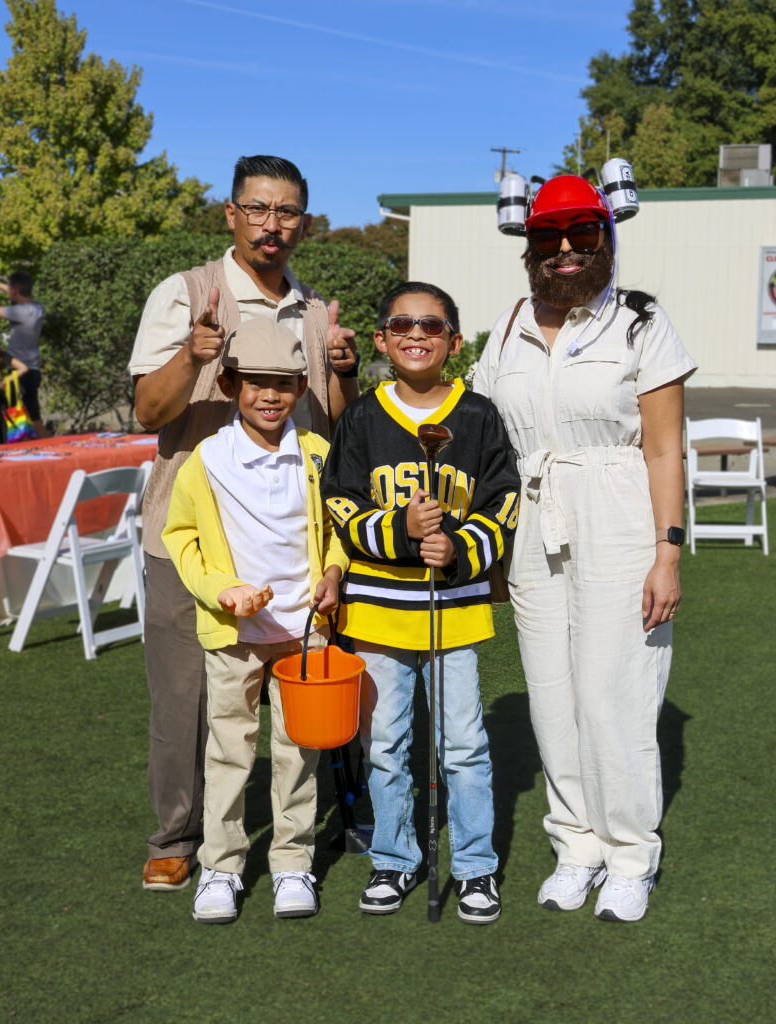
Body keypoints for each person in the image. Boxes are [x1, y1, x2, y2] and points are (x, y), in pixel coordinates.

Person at [129, 155, 358, 892]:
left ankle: (305, 835)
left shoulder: (316, 311)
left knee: (299, 698)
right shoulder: (187, 293)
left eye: (286, 211)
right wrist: (191, 359)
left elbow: (334, 431)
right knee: (185, 697)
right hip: (190, 533)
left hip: (293, 541)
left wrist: (346, 372)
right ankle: (178, 836)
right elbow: (148, 411)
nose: (272, 224)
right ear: (230, 213)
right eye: (257, 209)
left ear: (303, 222)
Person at [473, 175, 697, 923]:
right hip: (533, 521)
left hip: (618, 512)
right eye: (548, 236)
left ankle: (630, 853)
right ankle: (576, 845)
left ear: (605, 233)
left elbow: (665, 450)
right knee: (551, 694)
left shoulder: (639, 321)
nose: (565, 250)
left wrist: (667, 550)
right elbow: (487, 441)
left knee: (615, 693)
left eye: (582, 233)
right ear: (527, 244)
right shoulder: (504, 327)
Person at [322, 282, 520, 924]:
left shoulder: (479, 416)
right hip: (378, 613)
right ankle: (395, 857)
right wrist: (397, 534)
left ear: (454, 343)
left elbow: (504, 501)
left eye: (431, 326)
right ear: (380, 338)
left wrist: (460, 548)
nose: (416, 335)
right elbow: (339, 500)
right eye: (401, 324)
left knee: (462, 744)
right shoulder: (362, 418)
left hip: (452, 610)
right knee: (386, 743)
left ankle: (474, 866)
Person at [162, 319, 348, 922]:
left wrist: (335, 575)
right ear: (229, 383)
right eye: (256, 383)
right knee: (229, 752)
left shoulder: (318, 454)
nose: (270, 396)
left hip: (304, 633)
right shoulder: (206, 460)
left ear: (299, 388)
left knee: (299, 752)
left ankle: (292, 865)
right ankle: (222, 868)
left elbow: (340, 529)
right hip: (233, 634)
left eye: (284, 384)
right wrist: (224, 590)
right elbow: (181, 538)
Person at [0, 271, 47, 437]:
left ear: (15, 292)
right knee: (31, 417)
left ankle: (49, 449)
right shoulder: (37, 307)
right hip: (32, 371)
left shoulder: (19, 311)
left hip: (19, 373)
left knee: (28, 420)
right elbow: (13, 290)